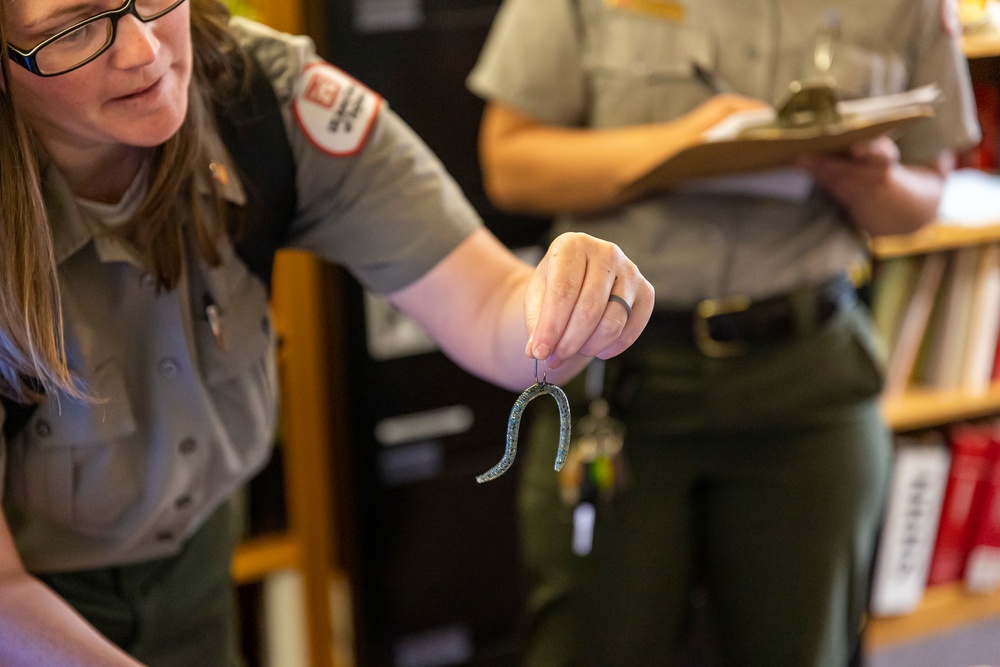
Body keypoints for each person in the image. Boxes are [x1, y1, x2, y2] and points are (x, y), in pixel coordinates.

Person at [0, 1, 656, 665]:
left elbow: (491, 306)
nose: (142, 50)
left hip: (195, 565)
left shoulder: (261, 98)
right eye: (75, 26)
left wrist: (576, 301)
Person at [467, 1, 980, 666]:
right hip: (621, 378)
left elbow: (923, 197)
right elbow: (509, 164)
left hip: (808, 379)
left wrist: (873, 180)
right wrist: (679, 146)